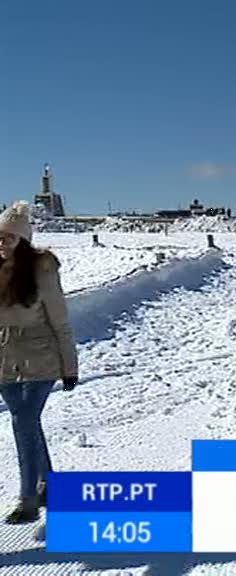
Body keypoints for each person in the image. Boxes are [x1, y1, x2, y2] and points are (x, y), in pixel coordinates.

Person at [0, 202, 78, 524]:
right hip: (5, 361)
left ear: (23, 240)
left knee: (23, 423)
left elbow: (61, 322)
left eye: (9, 238)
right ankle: (50, 485)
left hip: (41, 360)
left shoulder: (42, 270)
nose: (2, 243)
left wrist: (69, 367)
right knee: (28, 423)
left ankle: (28, 500)